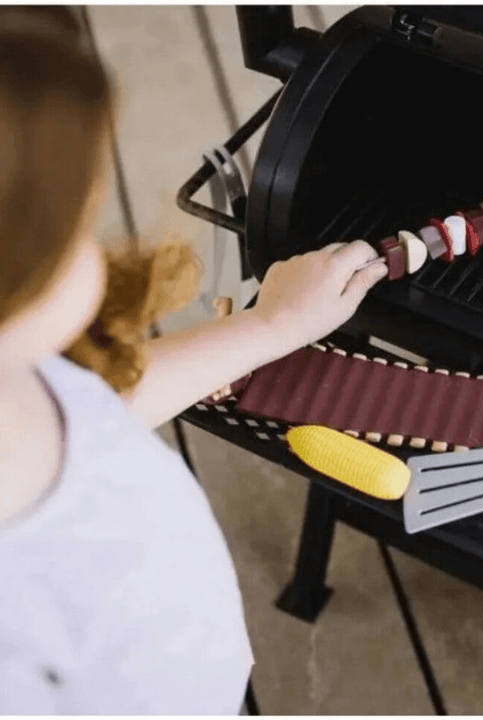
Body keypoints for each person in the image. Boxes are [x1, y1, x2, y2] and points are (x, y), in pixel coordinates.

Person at [0, 7, 388, 714]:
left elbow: (96, 419)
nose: (95, 250)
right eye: (75, 234)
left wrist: (272, 327)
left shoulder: (19, 380)